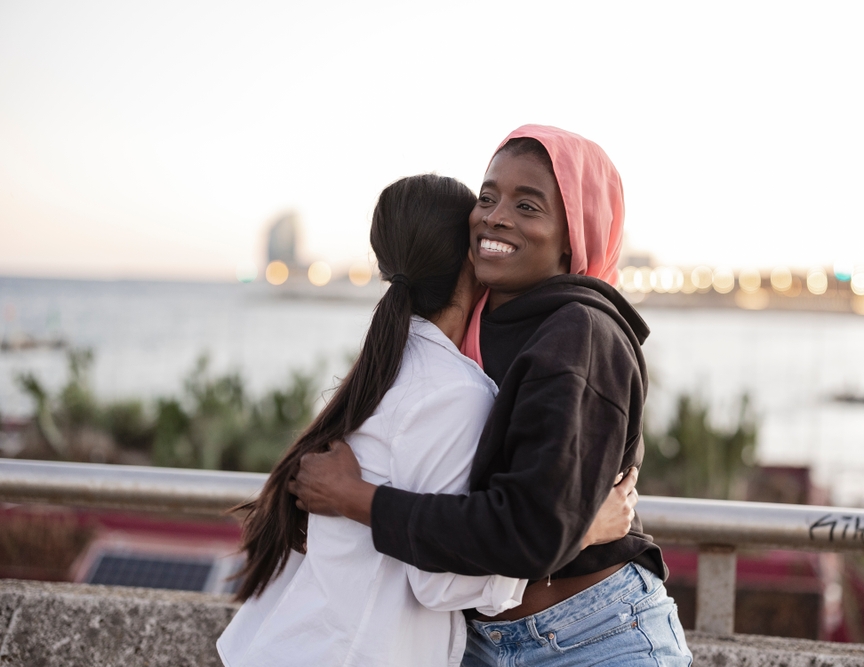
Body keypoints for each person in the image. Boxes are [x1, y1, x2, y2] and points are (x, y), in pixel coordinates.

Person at [291, 125, 693, 666]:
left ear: (575, 234)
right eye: (487, 197)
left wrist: (356, 499)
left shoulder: (580, 334)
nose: (494, 216)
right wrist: (584, 526)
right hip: (481, 643)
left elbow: (527, 531)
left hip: (594, 638)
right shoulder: (474, 329)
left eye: (528, 206)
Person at [216, 174, 638, 667]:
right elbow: (438, 586)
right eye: (484, 207)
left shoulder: (382, 369)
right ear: (470, 256)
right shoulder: (455, 392)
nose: (495, 221)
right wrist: (582, 530)